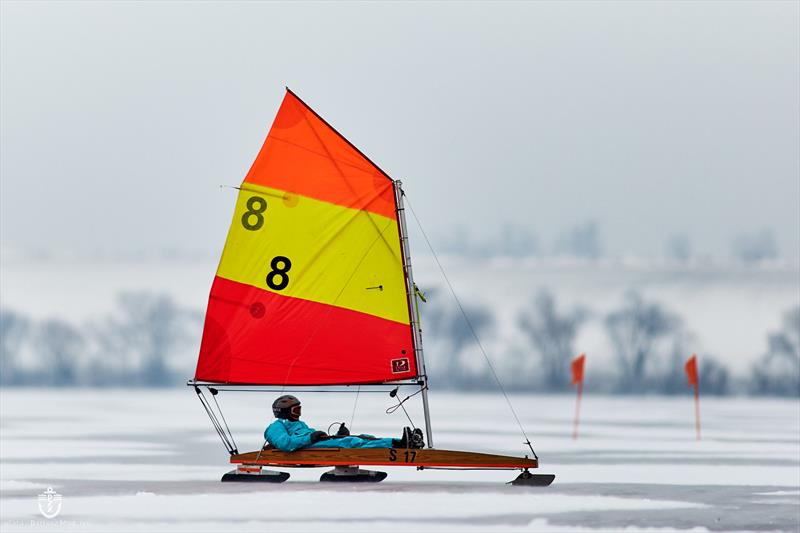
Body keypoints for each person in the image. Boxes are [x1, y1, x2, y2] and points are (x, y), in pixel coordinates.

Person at [265, 395, 424, 452]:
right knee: (352, 442)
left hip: (314, 445)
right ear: (284, 411)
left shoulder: (299, 425)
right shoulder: (275, 427)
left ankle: (402, 442)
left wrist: (336, 436)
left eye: (299, 410)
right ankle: (400, 445)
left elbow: (310, 436)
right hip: (306, 449)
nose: (298, 414)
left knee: (363, 437)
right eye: (295, 411)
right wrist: (311, 438)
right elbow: (285, 444)